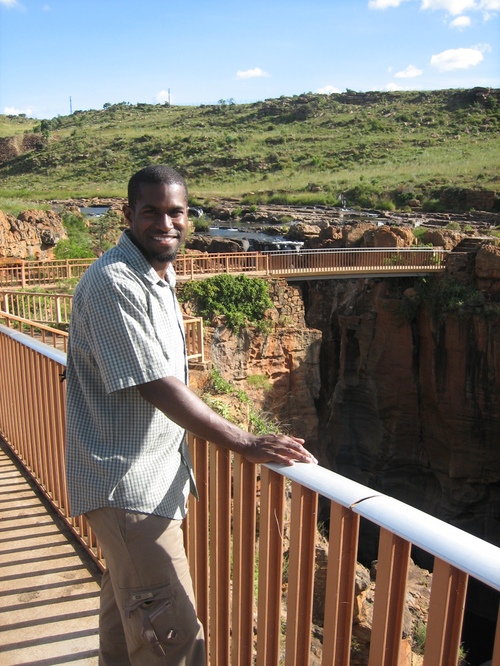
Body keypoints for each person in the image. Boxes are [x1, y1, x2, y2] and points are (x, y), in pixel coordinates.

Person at [65, 164, 317, 666]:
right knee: (175, 641)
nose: (166, 223)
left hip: (144, 485)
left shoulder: (157, 274)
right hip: (129, 491)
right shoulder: (116, 281)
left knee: (128, 628)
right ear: (127, 214)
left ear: (189, 215)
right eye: (151, 212)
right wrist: (244, 441)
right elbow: (157, 383)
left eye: (176, 211)